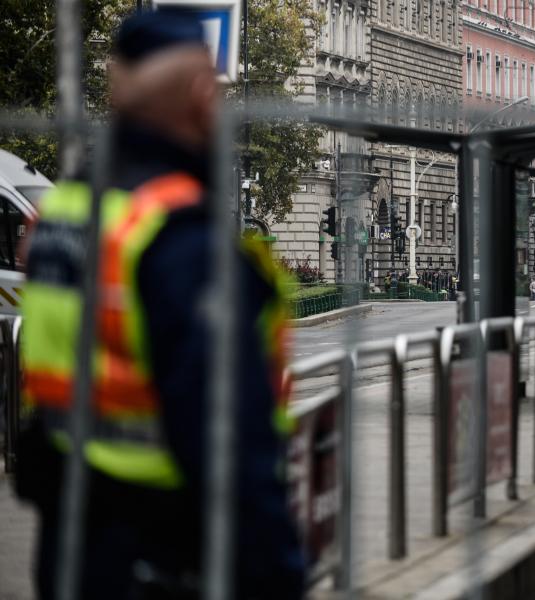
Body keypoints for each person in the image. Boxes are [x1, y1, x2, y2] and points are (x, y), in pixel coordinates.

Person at [14, 12, 305, 599]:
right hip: (166, 554)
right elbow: (228, 441)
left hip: (68, 543)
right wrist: (276, 571)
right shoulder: (178, 235)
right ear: (202, 96)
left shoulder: (62, 213)